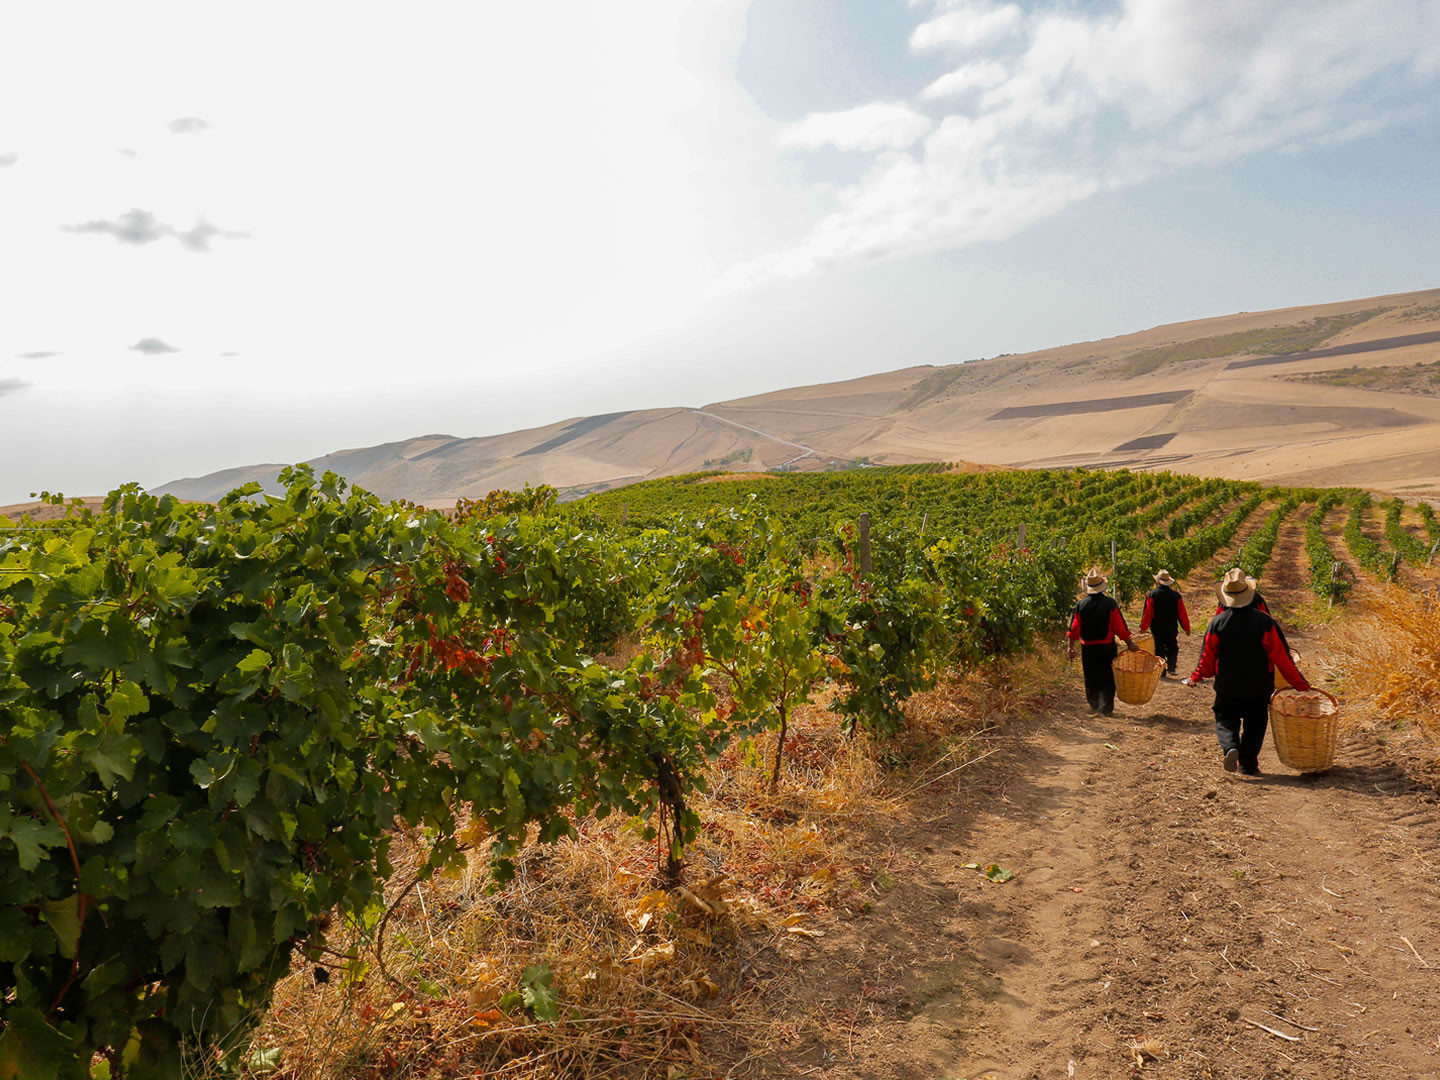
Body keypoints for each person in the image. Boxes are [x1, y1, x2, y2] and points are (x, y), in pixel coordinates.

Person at [1183, 568, 1310, 776]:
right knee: (1255, 723)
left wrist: (1197, 676)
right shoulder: (1265, 622)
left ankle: (1230, 746)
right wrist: (1300, 684)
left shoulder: (1217, 623)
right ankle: (1248, 764)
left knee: (1225, 717)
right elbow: (1282, 658)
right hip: (1259, 685)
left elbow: (1207, 658)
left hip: (1227, 683)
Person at [1067, 567, 1137, 716]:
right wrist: (1130, 643)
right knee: (1107, 676)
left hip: (1088, 648)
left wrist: (1070, 647)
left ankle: (1093, 704)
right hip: (1107, 647)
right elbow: (1119, 627)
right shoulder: (1110, 604)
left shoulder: (1081, 605)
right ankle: (1106, 708)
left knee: (1091, 676)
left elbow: (1074, 630)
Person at [1139, 569, 1191, 676]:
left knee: (1159, 647)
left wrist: (1143, 627)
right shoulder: (1176, 596)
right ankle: (1172, 667)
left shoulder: (1152, 595)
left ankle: (1161, 670)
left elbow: (1148, 613)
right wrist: (1186, 628)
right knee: (1172, 645)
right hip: (1171, 626)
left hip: (1157, 627)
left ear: (1157, 581)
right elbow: (1182, 614)